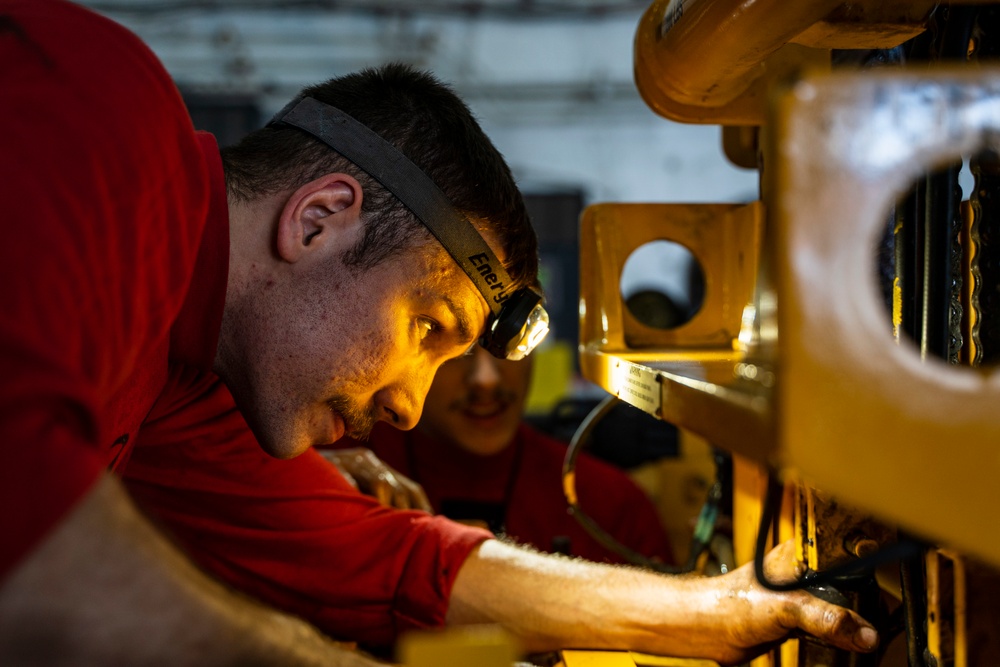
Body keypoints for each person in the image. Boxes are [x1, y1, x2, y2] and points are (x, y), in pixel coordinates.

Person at [0, 1, 879, 665]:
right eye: (428, 326)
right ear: (320, 221)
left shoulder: (178, 378)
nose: (413, 407)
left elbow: (387, 559)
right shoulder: (99, 107)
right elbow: (27, 524)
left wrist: (712, 610)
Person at [333, 346, 675, 566]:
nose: (486, 379)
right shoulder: (335, 478)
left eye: (509, 347)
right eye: (460, 351)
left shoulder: (610, 507)